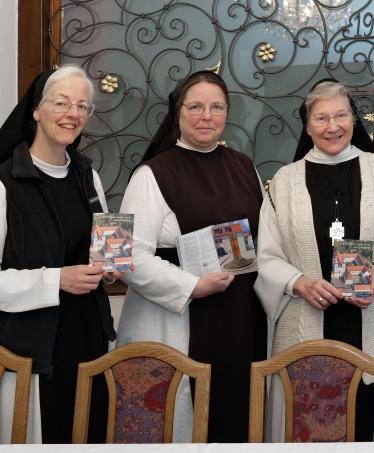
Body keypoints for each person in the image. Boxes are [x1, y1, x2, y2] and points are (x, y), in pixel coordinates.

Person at [254, 79, 374, 441]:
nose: (333, 126)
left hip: (371, 319)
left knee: (369, 426)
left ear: (354, 119)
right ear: (307, 125)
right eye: (321, 118)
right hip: (305, 320)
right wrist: (298, 282)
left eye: (341, 115)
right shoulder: (284, 181)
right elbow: (266, 256)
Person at [117, 70, 267, 442]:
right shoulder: (150, 174)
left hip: (237, 319)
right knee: (182, 423)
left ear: (227, 113)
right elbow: (126, 255)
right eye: (196, 106)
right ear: (178, 112)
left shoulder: (242, 166)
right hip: (179, 318)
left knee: (235, 417)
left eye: (217, 107)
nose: (207, 116)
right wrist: (192, 285)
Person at [0, 66, 116, 443]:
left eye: (83, 106)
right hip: (31, 351)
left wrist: (111, 268)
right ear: (36, 110)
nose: (73, 114)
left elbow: (103, 250)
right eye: (62, 102)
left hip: (87, 341)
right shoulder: (4, 184)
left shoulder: (88, 175)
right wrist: (57, 279)